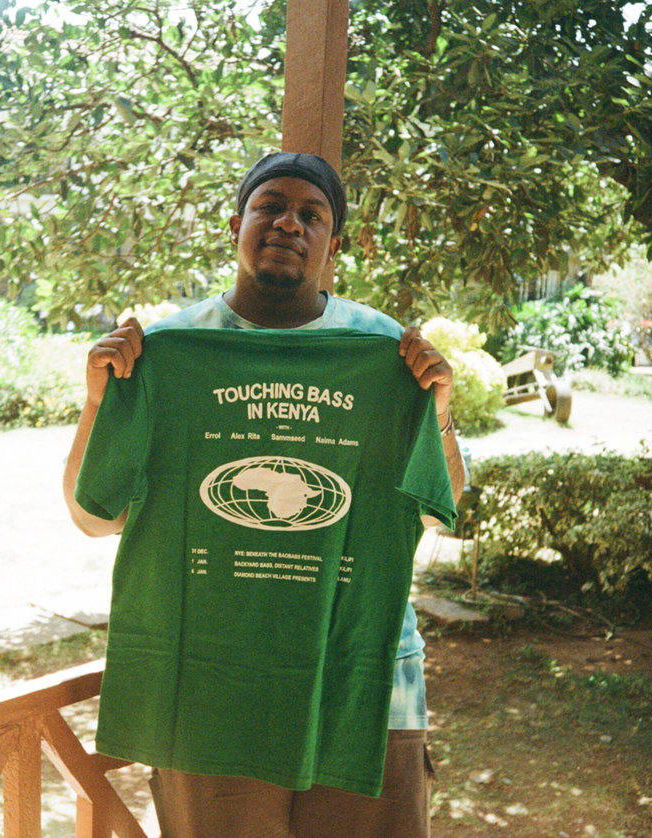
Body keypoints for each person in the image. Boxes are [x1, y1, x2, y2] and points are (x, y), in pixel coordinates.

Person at [63, 152, 465, 838]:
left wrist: (440, 413)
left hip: (365, 683)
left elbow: (436, 508)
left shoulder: (388, 352)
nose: (289, 223)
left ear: (334, 244)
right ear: (235, 225)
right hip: (210, 685)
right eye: (270, 206)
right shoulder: (167, 351)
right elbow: (93, 517)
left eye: (312, 214)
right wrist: (101, 401)